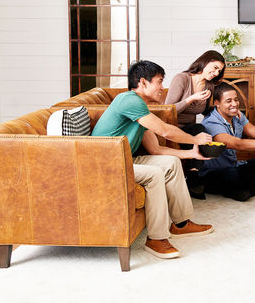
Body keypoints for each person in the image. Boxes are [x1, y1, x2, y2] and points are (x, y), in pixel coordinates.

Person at [91, 60, 215, 260]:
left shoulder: (141, 109)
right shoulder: (128, 100)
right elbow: (165, 130)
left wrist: (191, 154)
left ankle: (181, 224)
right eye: (159, 81)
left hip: (125, 160)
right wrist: (195, 139)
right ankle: (156, 239)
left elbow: (155, 149)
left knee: (172, 163)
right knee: (154, 174)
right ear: (142, 82)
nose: (162, 88)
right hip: (105, 165)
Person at [196, 82, 255, 201]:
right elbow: (237, 144)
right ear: (217, 103)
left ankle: (241, 190)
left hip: (234, 166)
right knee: (235, 175)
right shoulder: (212, 122)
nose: (234, 104)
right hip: (214, 173)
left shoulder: (237, 116)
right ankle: (245, 189)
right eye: (229, 101)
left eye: (236, 100)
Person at [165, 50, 226, 135]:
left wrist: (226, 108)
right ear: (205, 62)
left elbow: (205, 111)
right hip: (172, 129)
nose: (216, 73)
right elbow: (167, 111)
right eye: (215, 68)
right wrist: (192, 98)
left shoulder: (209, 85)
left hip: (190, 129)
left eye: (219, 71)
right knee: (202, 134)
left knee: (209, 134)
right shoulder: (181, 79)